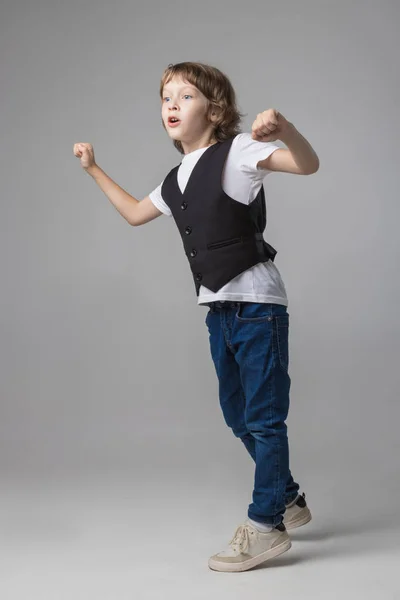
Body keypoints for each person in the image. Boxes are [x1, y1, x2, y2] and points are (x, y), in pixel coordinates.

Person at [73, 61, 319, 573]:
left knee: (265, 419)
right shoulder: (175, 178)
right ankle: (289, 498)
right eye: (166, 97)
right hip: (217, 310)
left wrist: (287, 130)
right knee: (237, 416)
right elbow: (135, 214)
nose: (171, 105)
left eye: (185, 96)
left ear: (216, 109)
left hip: (257, 305)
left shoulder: (240, 151)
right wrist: (94, 169)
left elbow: (307, 165)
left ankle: (266, 526)